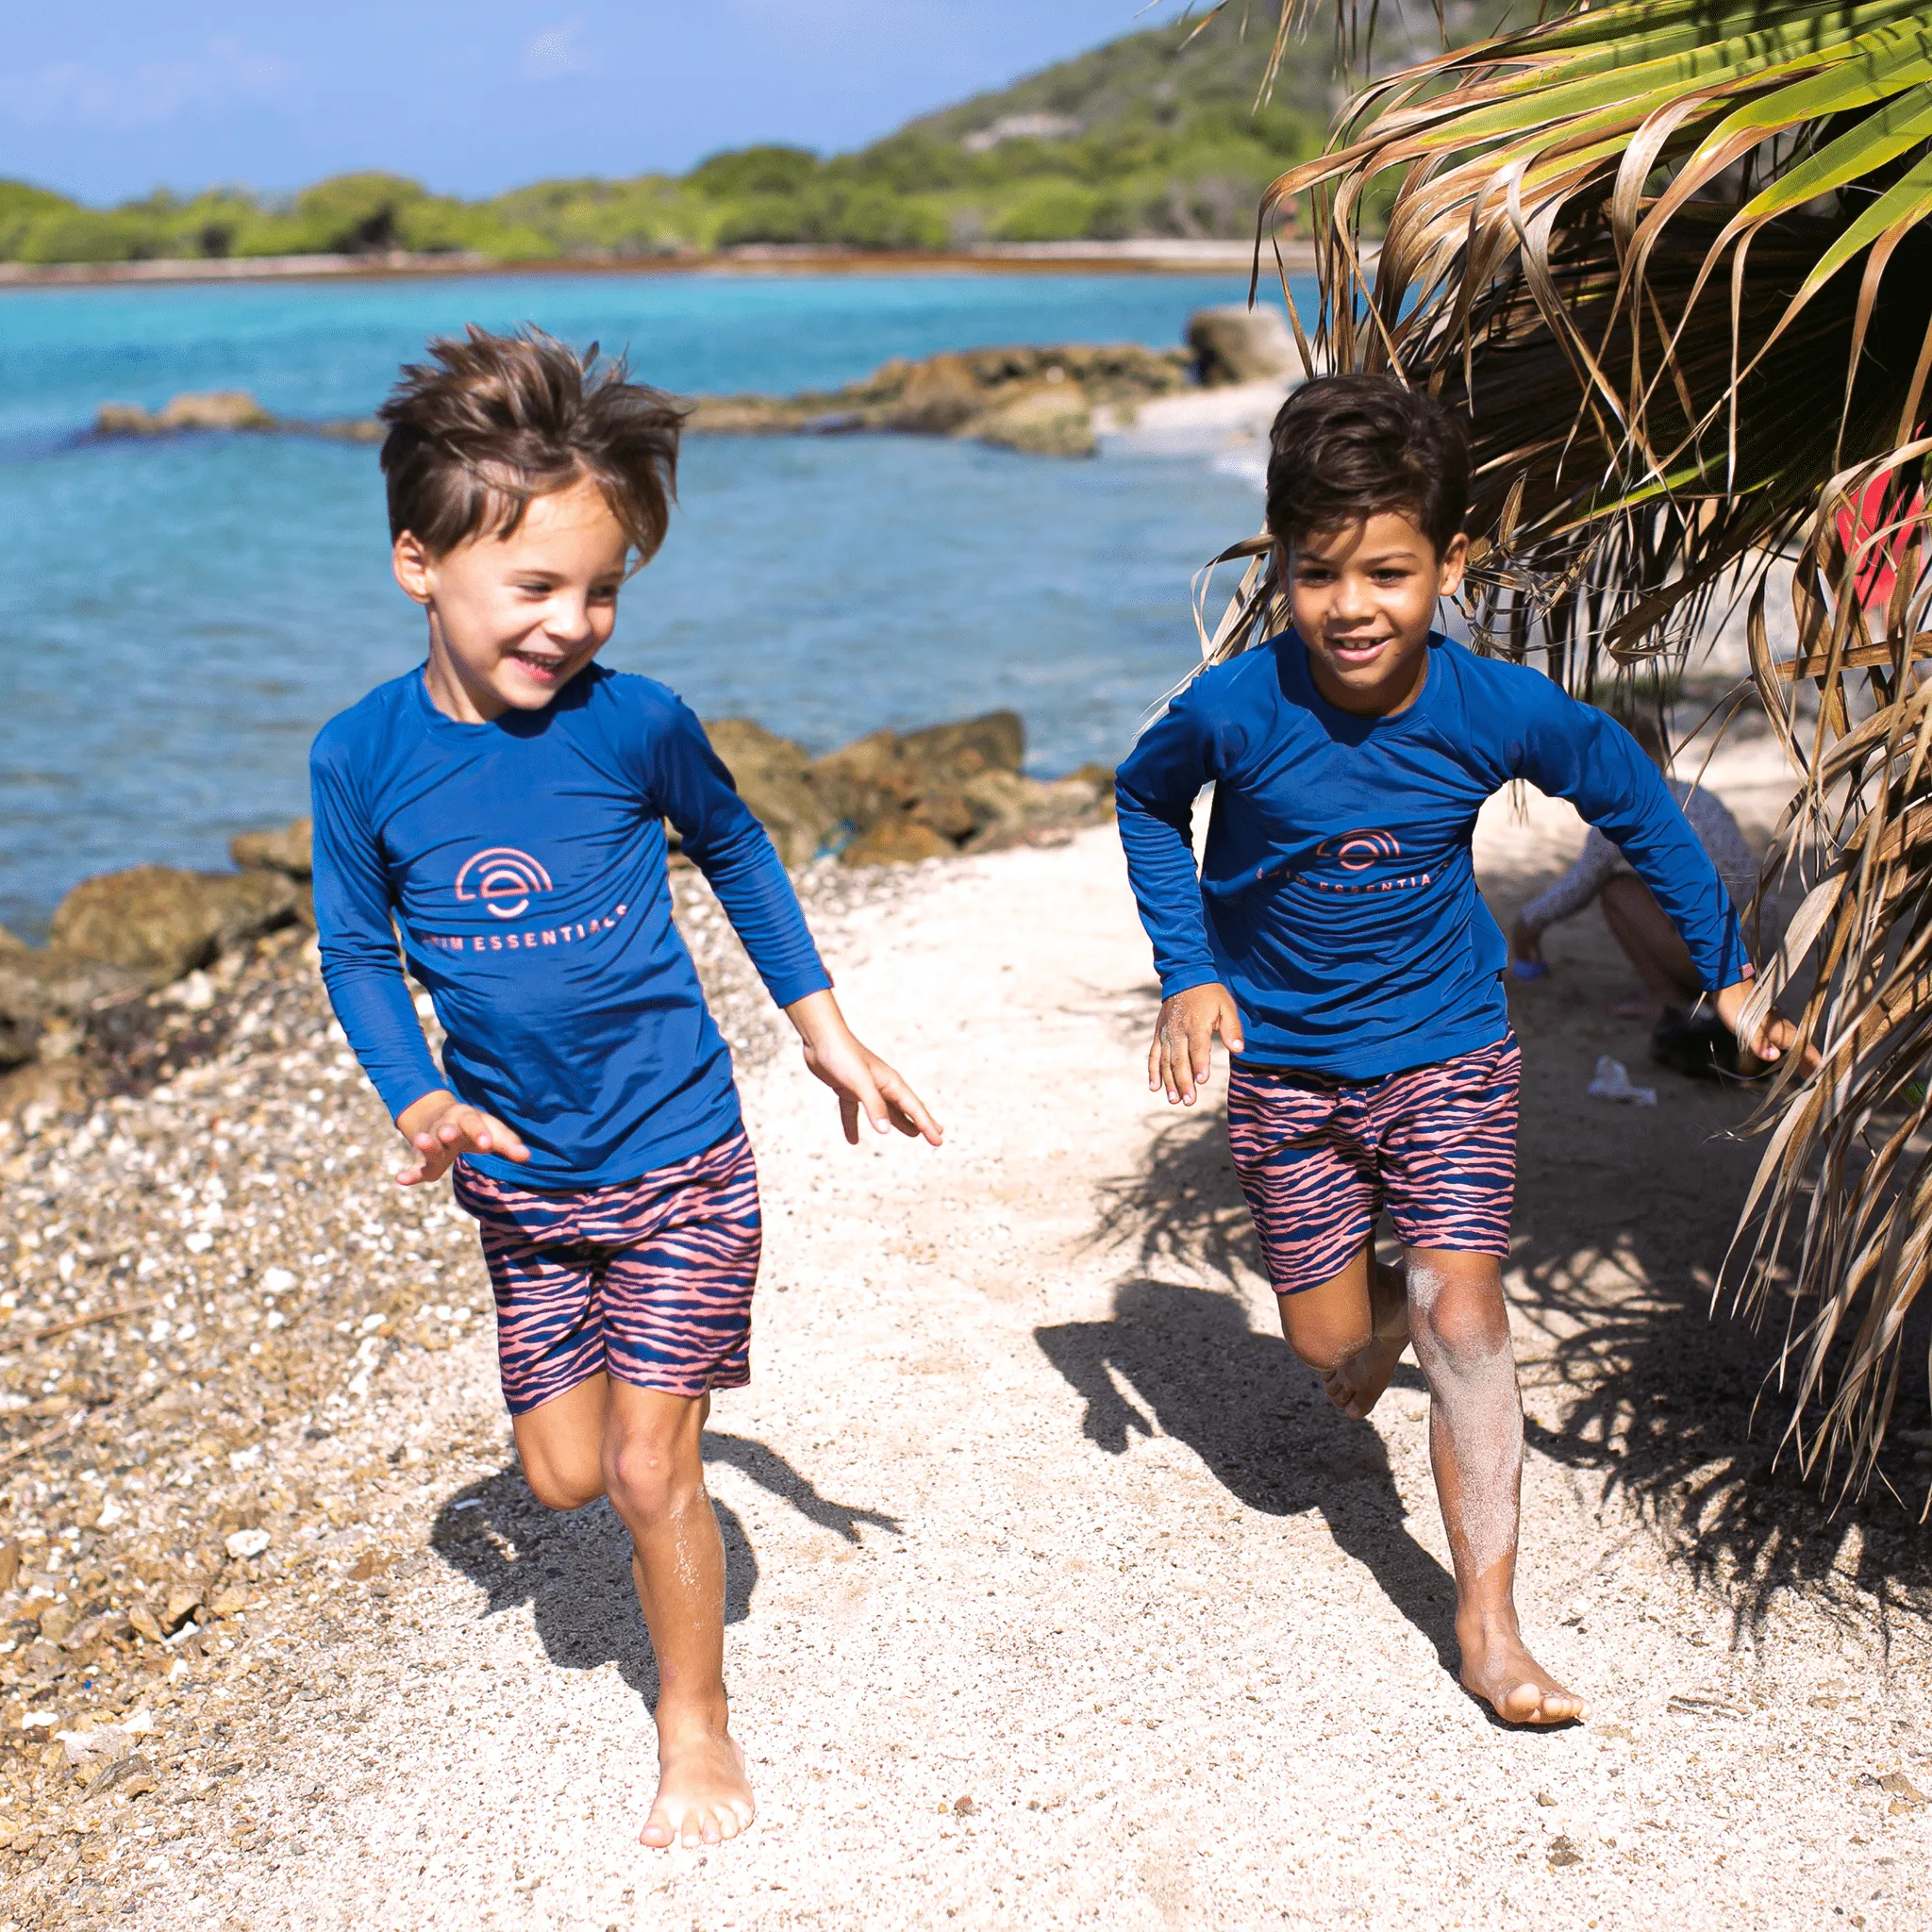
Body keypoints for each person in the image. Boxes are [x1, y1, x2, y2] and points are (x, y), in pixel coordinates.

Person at [309, 325, 941, 1849]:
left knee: (655, 1465)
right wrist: (417, 1096)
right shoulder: (359, 757)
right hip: (523, 1183)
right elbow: (349, 947)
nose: (572, 622)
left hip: (677, 1156)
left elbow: (734, 846)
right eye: (535, 587)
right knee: (563, 1471)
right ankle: (657, 1501)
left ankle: (696, 1721)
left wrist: (820, 1022)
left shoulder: (636, 723)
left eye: (601, 590)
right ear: (418, 563)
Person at [1114, 374, 1804, 1726]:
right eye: (1318, 573)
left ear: (1450, 562)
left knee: (1465, 1320)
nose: (1351, 606)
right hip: (1292, 1074)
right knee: (1334, 1344)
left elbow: (1640, 806)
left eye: (1387, 570)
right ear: (1280, 565)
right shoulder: (1234, 708)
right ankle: (1362, 1311)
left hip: (1449, 1053)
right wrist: (1190, 971)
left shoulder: (1498, 708)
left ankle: (1487, 1621)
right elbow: (1144, 802)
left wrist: (1727, 973)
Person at [1508, 747, 1783, 1078]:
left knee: (1615, 890)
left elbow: (1578, 888)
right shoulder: (1700, 796)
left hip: (1721, 955)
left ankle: (1668, 996)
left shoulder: (1623, 809)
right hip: (1761, 949)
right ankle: (1706, 991)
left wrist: (1526, 926)